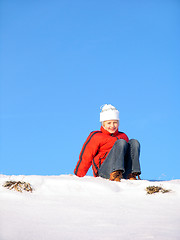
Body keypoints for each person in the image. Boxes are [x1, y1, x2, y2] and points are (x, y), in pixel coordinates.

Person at [74, 104, 141, 181]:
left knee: (134, 142)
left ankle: (131, 174)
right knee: (121, 143)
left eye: (115, 122)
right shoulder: (96, 136)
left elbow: (128, 155)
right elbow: (86, 156)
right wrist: (78, 176)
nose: (112, 126)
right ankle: (115, 173)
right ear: (103, 124)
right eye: (109, 123)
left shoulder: (123, 136)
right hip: (104, 172)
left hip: (123, 172)